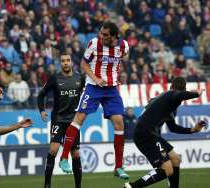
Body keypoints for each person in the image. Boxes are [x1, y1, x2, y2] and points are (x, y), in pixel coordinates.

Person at [58, 21, 130, 179]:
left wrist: (113, 74)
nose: (101, 36)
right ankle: (63, 157)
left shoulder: (123, 46)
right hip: (93, 86)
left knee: (119, 122)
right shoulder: (94, 44)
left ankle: (118, 167)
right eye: (101, 33)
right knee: (79, 118)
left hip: (111, 89)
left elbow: (121, 59)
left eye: (105, 35)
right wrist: (95, 78)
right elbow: (84, 63)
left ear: (114, 36)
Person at [124, 77, 207, 188]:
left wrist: (192, 130)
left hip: (152, 134)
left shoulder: (165, 102)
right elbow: (178, 95)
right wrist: (197, 93)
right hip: (145, 134)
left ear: (170, 86)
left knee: (175, 160)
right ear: (182, 90)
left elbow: (172, 127)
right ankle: (131, 186)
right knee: (167, 169)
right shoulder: (170, 95)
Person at [37, 53, 84, 188]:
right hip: (58, 118)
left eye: (68, 60)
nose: (65, 63)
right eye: (63, 61)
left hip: (73, 121)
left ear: (71, 62)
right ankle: (47, 185)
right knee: (53, 150)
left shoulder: (80, 78)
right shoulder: (54, 78)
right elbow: (41, 96)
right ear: (60, 63)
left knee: (75, 154)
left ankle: (78, 186)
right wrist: (42, 110)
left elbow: (87, 94)